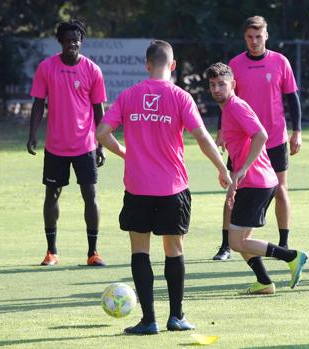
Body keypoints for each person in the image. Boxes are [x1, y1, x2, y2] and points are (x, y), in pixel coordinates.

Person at [97, 40, 231, 335]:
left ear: (147, 65)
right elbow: (203, 138)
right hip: (173, 188)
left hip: (137, 188)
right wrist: (222, 168)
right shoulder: (181, 97)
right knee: (174, 250)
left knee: (140, 251)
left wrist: (123, 152)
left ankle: (148, 321)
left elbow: (102, 132)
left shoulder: (129, 95)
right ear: (172, 65)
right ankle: (176, 317)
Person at [206, 62, 308, 295]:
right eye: (212, 85)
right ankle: (264, 282)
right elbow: (239, 149)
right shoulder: (229, 108)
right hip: (253, 182)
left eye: (222, 84)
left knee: (236, 241)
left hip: (257, 182)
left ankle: (292, 256)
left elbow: (260, 135)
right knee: (242, 238)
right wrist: (232, 177)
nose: (216, 89)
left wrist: (241, 171)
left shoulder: (235, 107)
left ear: (232, 84)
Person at [212, 15, 302, 260]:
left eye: (258, 36)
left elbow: (292, 98)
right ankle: (226, 245)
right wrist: (222, 131)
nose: (254, 41)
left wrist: (297, 131)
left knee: (281, 189)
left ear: (266, 36)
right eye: (250, 37)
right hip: (243, 142)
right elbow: (226, 101)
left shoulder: (280, 61)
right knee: (233, 189)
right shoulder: (235, 65)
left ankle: (284, 243)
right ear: (244, 38)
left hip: (273, 138)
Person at [27, 19, 107, 267]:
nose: (73, 43)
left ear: (81, 41)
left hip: (85, 145)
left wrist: (101, 143)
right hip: (56, 146)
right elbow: (38, 103)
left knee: (90, 196)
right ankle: (51, 252)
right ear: (60, 41)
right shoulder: (46, 68)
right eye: (68, 39)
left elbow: (98, 109)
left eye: (77, 39)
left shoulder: (92, 70)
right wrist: (32, 134)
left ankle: (93, 253)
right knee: (52, 195)